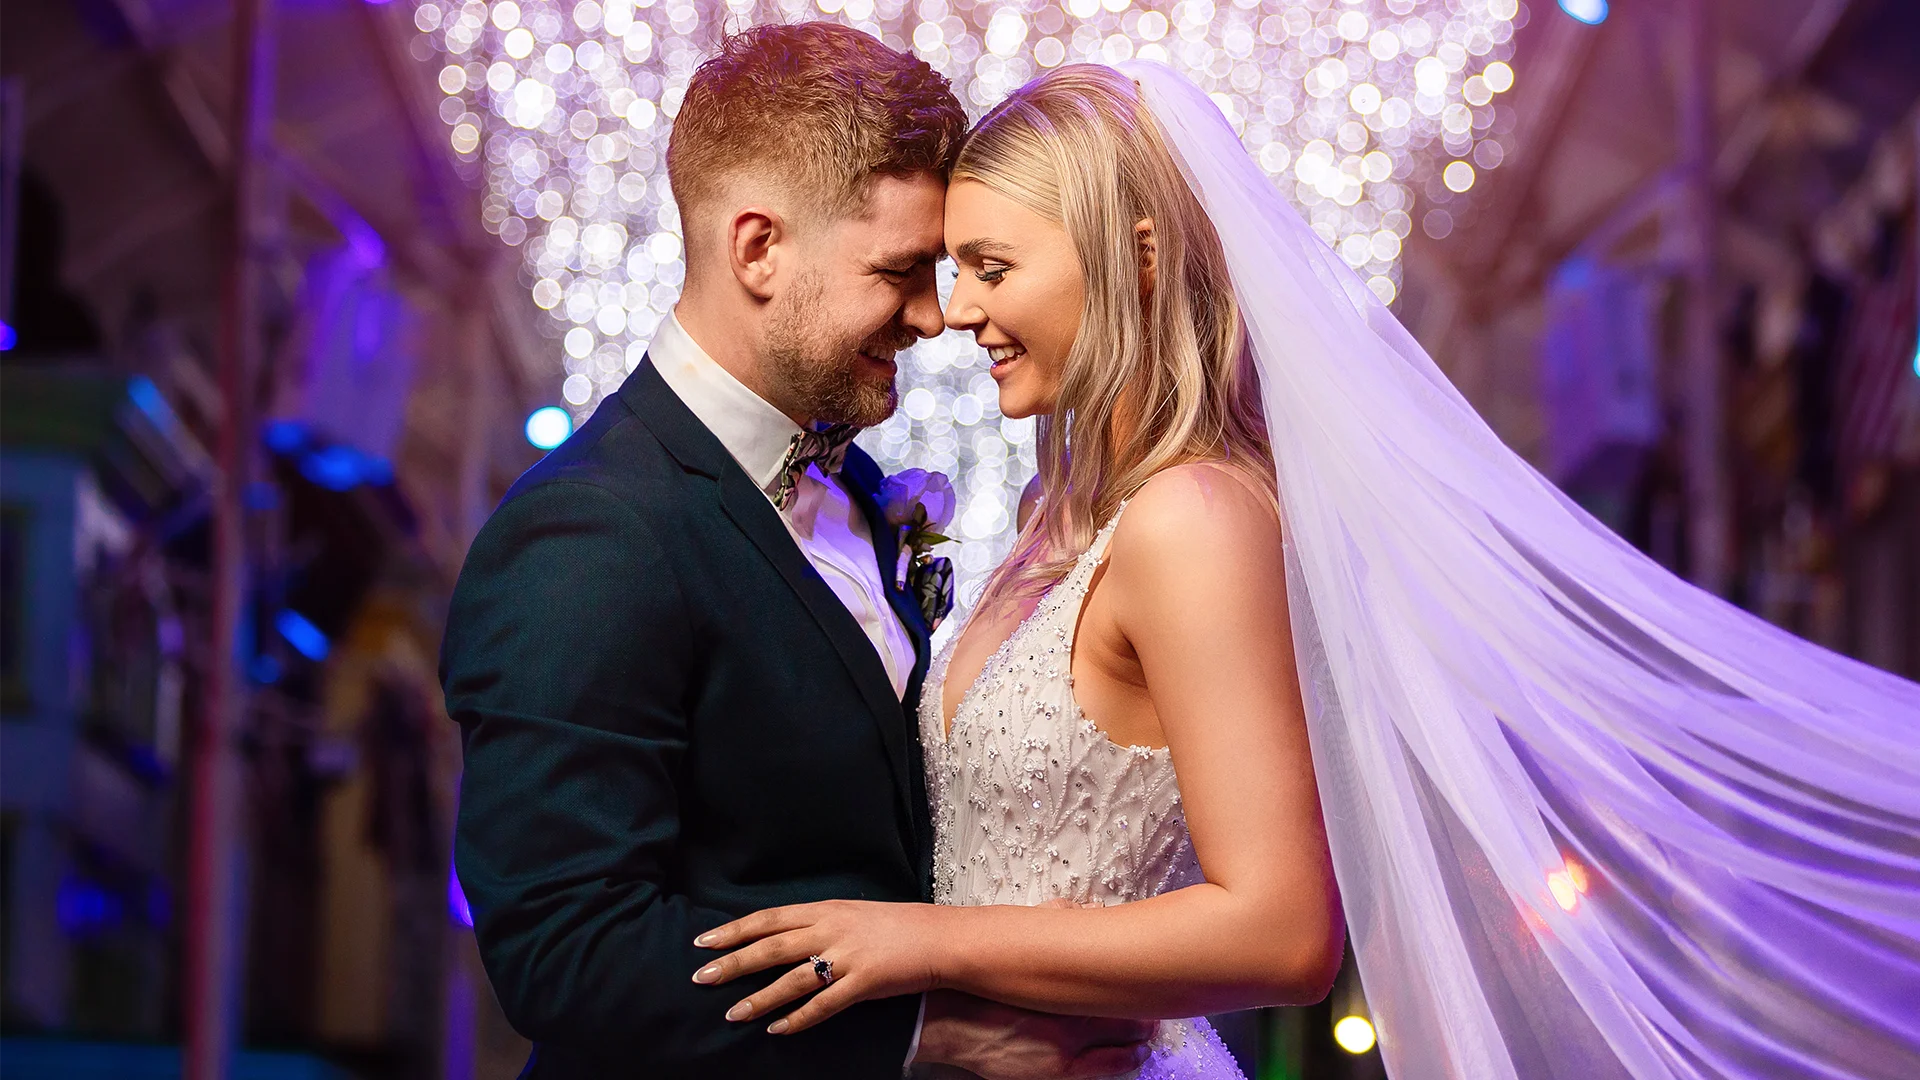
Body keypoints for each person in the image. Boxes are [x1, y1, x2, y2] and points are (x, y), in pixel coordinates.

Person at [692, 61, 1920, 1080]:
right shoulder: (1047, 506)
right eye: (951, 269)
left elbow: (1281, 929)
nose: (955, 312)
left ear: (1137, 258)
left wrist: (924, 948)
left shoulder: (1195, 521)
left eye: (993, 269)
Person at [442, 28, 1154, 1080]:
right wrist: (927, 1038)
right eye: (901, 272)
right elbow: (567, 951)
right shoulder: (591, 534)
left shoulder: (862, 486)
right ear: (758, 248)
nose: (935, 317)